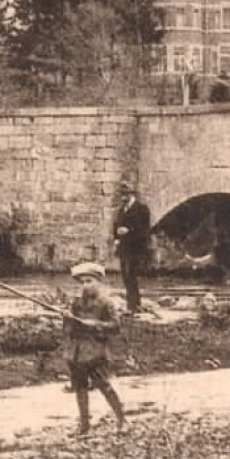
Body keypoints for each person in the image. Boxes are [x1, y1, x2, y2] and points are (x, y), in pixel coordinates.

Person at [65, 261, 127, 435]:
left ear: (99, 281)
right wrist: (68, 318)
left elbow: (116, 327)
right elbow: (69, 329)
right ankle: (84, 425)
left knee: (103, 385)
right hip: (76, 350)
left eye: (89, 281)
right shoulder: (76, 302)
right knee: (80, 387)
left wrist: (95, 324)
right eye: (83, 282)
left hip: (96, 350)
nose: (86, 285)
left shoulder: (106, 302)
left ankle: (122, 419)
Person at [112, 181, 152, 314]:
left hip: (136, 248)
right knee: (125, 275)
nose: (122, 197)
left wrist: (129, 230)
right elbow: (116, 226)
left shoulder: (141, 209)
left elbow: (144, 229)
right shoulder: (121, 210)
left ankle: (134, 305)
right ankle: (132, 304)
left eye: (125, 194)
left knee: (132, 275)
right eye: (121, 194)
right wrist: (116, 240)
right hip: (124, 248)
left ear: (131, 194)